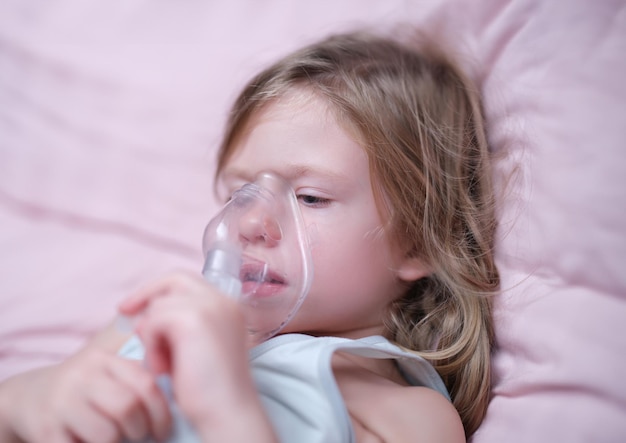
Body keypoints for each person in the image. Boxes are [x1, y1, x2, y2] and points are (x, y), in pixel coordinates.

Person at [0, 30, 499, 442]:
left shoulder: (407, 416)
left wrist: (227, 408)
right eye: (240, 192)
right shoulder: (161, 319)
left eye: (310, 198)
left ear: (420, 243)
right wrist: (40, 396)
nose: (248, 222)